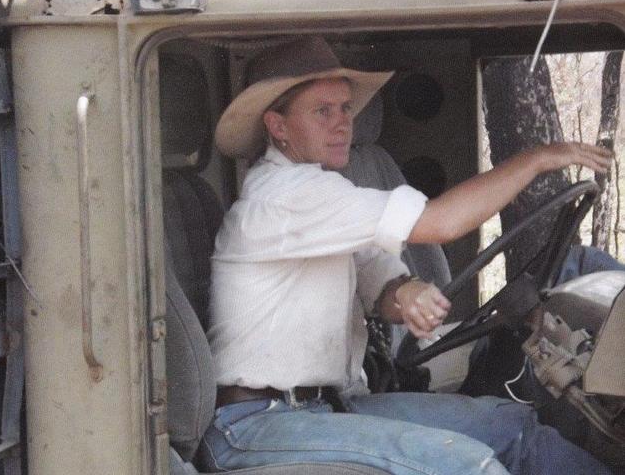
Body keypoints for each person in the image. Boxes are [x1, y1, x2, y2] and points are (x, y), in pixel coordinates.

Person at [200, 37, 614, 475]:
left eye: (345, 108)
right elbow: (441, 222)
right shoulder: (284, 196)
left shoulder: (322, 196)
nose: (343, 123)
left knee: (512, 428)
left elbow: (376, 278)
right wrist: (535, 159)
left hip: (326, 407)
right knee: (469, 466)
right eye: (323, 111)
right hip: (255, 425)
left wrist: (406, 291)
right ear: (278, 127)